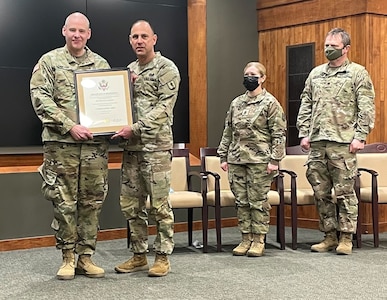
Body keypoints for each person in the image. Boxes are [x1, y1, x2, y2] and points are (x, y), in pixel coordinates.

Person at [30, 12, 110, 280]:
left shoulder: (100, 64)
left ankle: (85, 257)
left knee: (92, 201)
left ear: (89, 34)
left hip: (94, 147)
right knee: (64, 202)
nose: (77, 35)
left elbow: (110, 99)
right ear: (64, 31)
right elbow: (40, 98)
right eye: (72, 30)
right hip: (61, 144)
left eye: (82, 31)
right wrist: (68, 125)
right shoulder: (49, 61)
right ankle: (67, 257)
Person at [296, 28, 375, 255]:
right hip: (318, 142)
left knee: (345, 193)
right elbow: (306, 103)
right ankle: (329, 235)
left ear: (346, 48)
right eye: (326, 45)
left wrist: (360, 136)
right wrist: (304, 132)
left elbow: (366, 107)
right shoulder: (316, 74)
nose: (328, 49)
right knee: (321, 193)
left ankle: (346, 237)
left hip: (343, 143)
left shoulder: (357, 73)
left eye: (334, 46)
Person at [111, 20, 180, 277]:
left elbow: (164, 109)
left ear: (154, 39)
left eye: (144, 36)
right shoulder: (128, 71)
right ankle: (139, 255)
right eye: (134, 37)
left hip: (156, 149)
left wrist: (136, 127)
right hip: (131, 149)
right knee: (131, 205)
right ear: (130, 40)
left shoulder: (166, 69)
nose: (139, 41)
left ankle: (162, 256)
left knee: (160, 205)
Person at [217, 62, 287, 257]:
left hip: (260, 161)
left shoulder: (270, 103)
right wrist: (223, 155)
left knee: (258, 201)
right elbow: (228, 130)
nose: (249, 77)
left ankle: (258, 239)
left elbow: (279, 134)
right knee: (241, 201)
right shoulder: (236, 103)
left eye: (253, 74)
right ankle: (245, 238)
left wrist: (275, 160)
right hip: (237, 159)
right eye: (246, 74)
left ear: (262, 78)